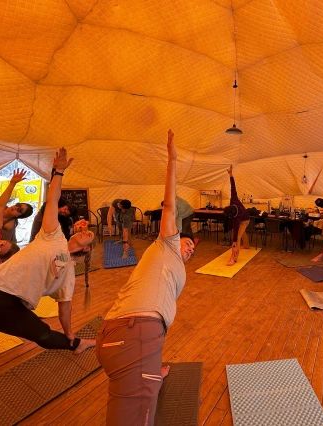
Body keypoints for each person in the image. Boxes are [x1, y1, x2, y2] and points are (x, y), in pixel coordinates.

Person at [96, 130, 195, 426]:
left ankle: (151, 369)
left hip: (132, 338)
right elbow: (170, 205)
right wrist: (172, 160)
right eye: (187, 242)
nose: (189, 248)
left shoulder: (172, 264)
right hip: (133, 336)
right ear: (175, 238)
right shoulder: (166, 243)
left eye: (193, 248)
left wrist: (152, 363)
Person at [0, 147, 96, 354]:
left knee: (43, 335)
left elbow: (65, 306)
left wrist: (70, 332)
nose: (84, 231)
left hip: (11, 305)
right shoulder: (54, 235)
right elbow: (52, 201)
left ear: (86, 248)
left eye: (89, 235)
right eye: (83, 230)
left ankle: (77, 344)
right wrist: (59, 173)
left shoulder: (69, 274)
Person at [224, 165, 250, 266]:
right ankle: (247, 245)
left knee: (237, 237)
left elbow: (234, 236)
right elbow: (233, 187)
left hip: (245, 220)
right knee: (242, 233)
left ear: (232, 216)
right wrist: (231, 175)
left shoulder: (237, 219)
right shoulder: (233, 200)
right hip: (245, 216)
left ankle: (234, 259)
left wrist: (234, 244)